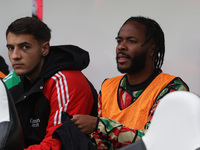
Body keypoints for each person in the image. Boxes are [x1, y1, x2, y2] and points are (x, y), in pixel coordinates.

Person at [71, 16, 189, 149]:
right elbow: (100, 140)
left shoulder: (172, 88)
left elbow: (156, 139)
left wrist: (100, 125)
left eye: (131, 41)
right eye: (119, 41)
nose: (121, 46)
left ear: (152, 50)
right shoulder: (108, 86)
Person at [4, 16, 97, 150]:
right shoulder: (14, 78)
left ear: (45, 49)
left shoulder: (67, 80)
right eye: (10, 48)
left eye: (25, 47)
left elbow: (57, 145)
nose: (15, 56)